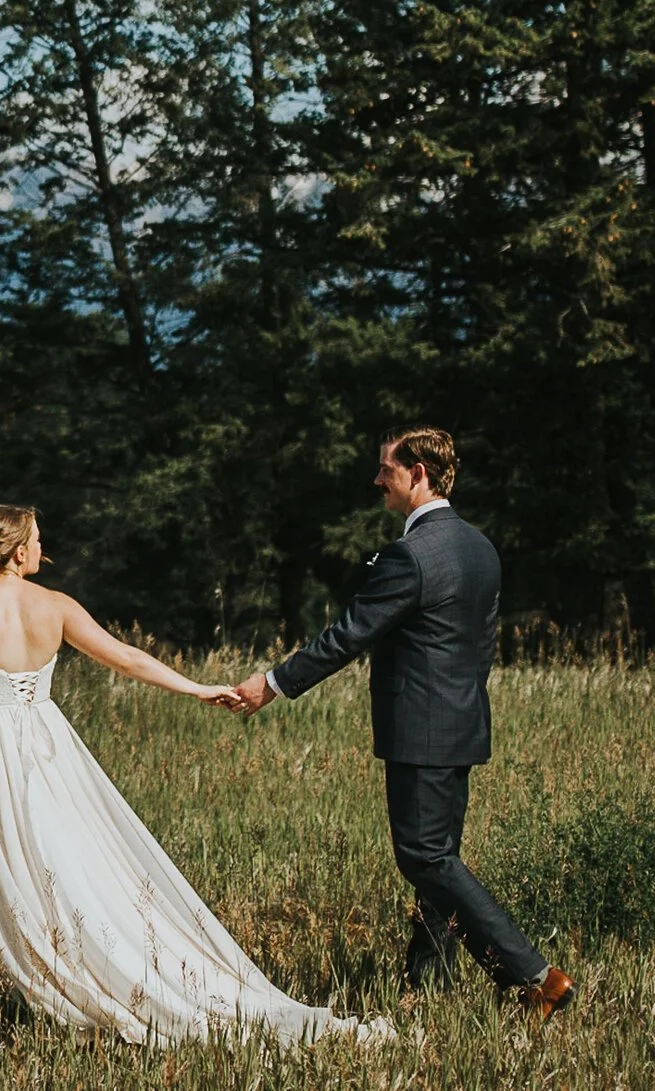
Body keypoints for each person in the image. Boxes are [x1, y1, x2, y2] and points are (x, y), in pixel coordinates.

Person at [0, 505, 388, 1046]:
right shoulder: (56, 607)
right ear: (18, 552)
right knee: (60, 858)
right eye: (37, 540)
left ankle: (42, 990)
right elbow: (128, 659)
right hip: (45, 745)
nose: (43, 548)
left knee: (9, 866)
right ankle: (51, 987)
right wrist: (198, 688)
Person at [227, 426, 575, 1018]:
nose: (377, 481)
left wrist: (274, 683)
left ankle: (535, 978)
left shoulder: (408, 555)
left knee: (424, 857)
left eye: (386, 470)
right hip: (463, 724)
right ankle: (427, 983)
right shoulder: (481, 548)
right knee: (439, 859)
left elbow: (349, 634)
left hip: (420, 731)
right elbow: (482, 647)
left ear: (418, 474)